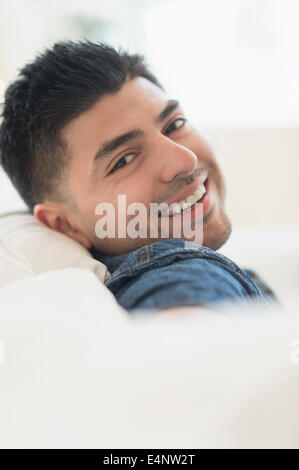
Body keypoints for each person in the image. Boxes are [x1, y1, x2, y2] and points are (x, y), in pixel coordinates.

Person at [0, 40, 277, 312]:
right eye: (124, 160)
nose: (185, 160)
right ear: (64, 225)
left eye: (174, 125)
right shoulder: (183, 277)